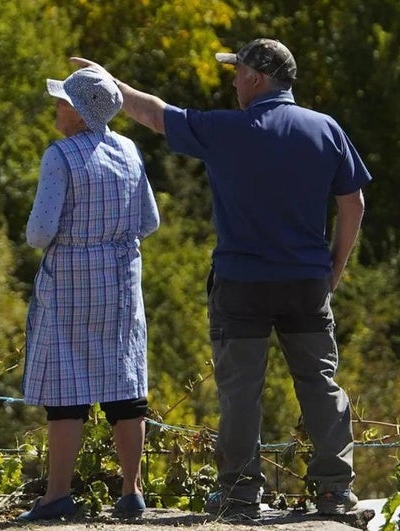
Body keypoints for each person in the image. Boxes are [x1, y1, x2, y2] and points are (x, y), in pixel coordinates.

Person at [71, 37, 371, 518]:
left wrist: (107, 83)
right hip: (306, 282)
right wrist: (333, 268)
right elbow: (353, 202)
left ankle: (240, 493)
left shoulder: (226, 130)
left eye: (237, 73)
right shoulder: (325, 128)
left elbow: (153, 114)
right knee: (320, 382)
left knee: (240, 389)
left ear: (256, 78)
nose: (233, 82)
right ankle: (334, 490)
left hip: (242, 284)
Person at [19, 66, 160, 522]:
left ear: (79, 112)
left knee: (66, 391)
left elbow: (40, 232)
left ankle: (57, 495)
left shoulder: (59, 157)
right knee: (125, 385)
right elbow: (150, 221)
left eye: (62, 102)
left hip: (72, 282)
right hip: (120, 279)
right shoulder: (129, 149)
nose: (56, 108)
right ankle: (131, 491)